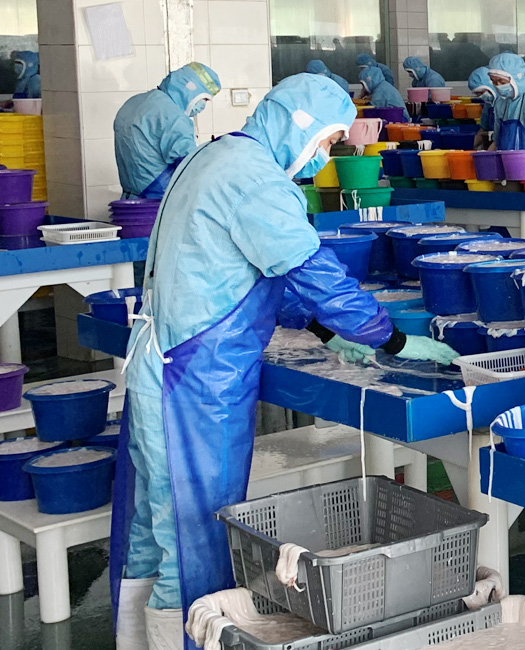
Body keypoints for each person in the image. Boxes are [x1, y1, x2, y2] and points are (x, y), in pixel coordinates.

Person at [108, 74, 461, 650]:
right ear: (301, 125)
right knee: (195, 538)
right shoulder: (256, 183)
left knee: (153, 529)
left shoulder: (218, 156)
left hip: (164, 363)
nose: (325, 156)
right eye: (328, 141)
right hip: (197, 381)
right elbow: (311, 271)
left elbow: (261, 271)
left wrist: (323, 330)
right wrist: (389, 338)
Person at [113, 63, 221, 200]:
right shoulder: (173, 117)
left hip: (129, 200)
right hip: (159, 201)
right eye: (204, 99)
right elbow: (189, 164)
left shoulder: (134, 102)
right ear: (190, 89)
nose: (203, 106)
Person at [467, 67, 498, 135]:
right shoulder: (489, 105)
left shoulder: (507, 102)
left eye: (481, 92)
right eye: (477, 93)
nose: (480, 96)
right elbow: (483, 129)